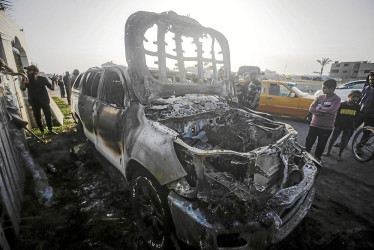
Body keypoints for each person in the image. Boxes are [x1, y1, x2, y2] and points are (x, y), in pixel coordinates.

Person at [305, 79, 341, 161]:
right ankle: (305, 156)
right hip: (314, 124)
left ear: (331, 89)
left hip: (327, 127)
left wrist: (318, 108)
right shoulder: (319, 97)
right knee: (309, 142)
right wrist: (323, 112)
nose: (323, 90)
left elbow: (331, 110)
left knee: (321, 144)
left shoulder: (336, 99)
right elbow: (311, 108)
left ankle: (317, 159)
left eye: (324, 88)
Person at [324, 90, 361, 161]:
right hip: (339, 125)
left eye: (358, 97)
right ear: (349, 96)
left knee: (344, 141)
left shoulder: (357, 107)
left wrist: (353, 126)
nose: (356, 99)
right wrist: (335, 125)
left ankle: (339, 154)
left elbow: (356, 117)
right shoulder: (341, 105)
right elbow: (336, 116)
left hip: (348, 127)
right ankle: (328, 151)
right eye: (354, 96)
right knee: (332, 139)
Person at [20, 65, 57, 136]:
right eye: (27, 70)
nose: (27, 72)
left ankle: (50, 131)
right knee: (37, 117)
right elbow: (22, 89)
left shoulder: (43, 79)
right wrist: (23, 82)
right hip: (34, 102)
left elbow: (52, 88)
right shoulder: (27, 79)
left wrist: (53, 81)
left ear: (36, 72)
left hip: (44, 101)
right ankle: (42, 132)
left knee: (48, 116)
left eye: (29, 70)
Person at [354, 71, 374, 153]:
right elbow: (361, 99)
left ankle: (359, 148)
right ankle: (342, 143)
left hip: (371, 116)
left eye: (373, 79)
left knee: (366, 133)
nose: (371, 81)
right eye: (370, 79)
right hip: (361, 112)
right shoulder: (366, 88)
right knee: (351, 128)